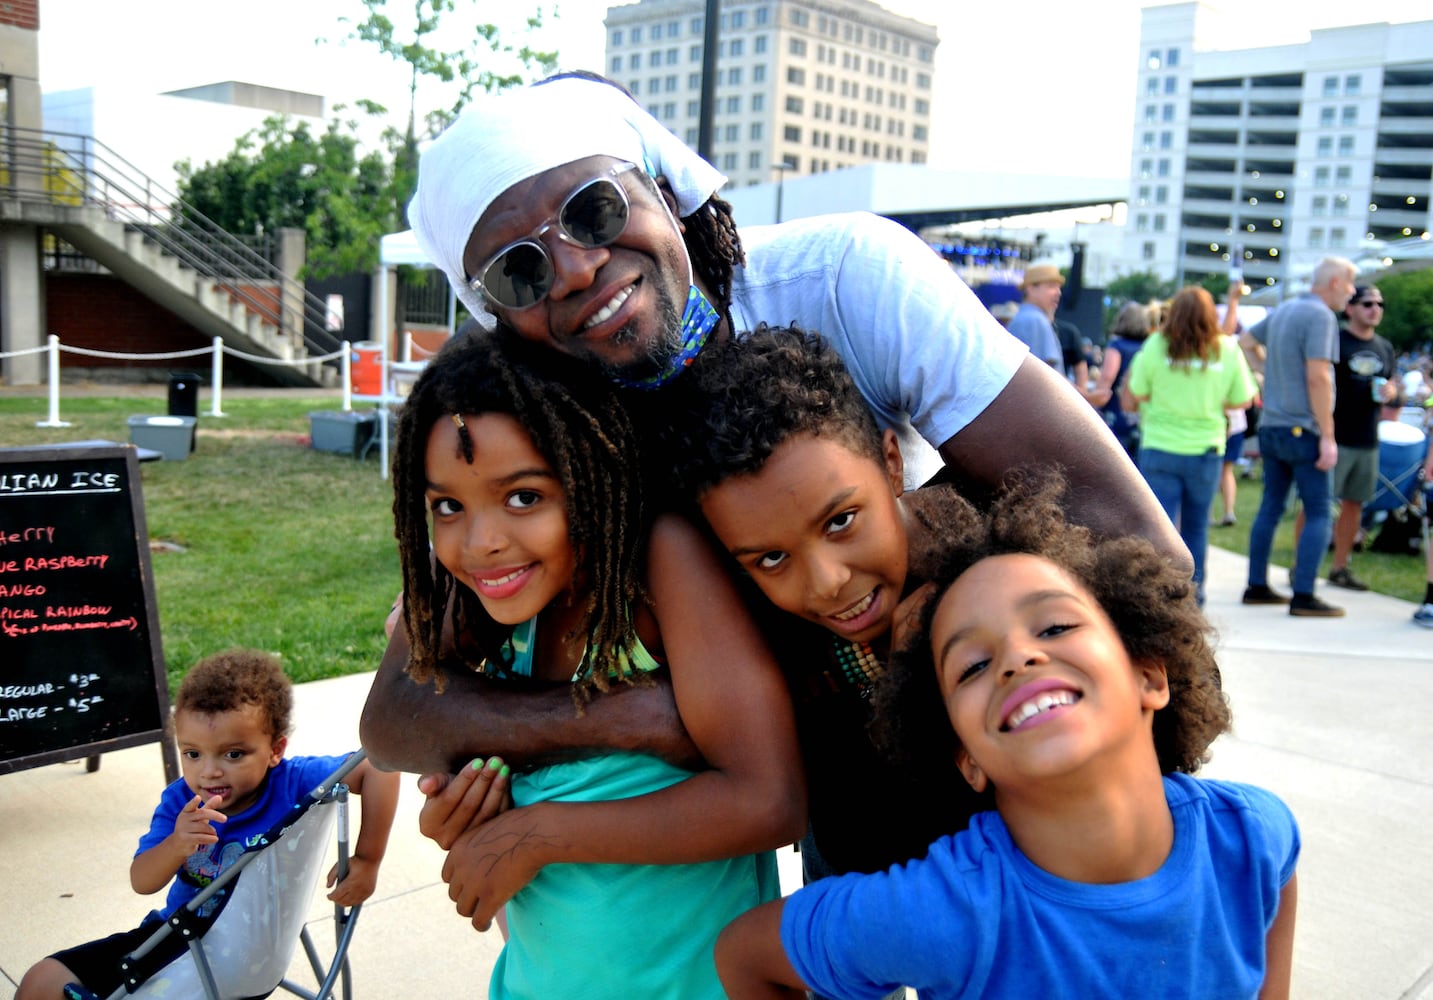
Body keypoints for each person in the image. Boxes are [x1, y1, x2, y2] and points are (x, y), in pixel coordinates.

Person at [361, 72, 1183, 797]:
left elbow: (1131, 535)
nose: (575, 267)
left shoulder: (846, 279)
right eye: (520, 269)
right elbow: (399, 714)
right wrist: (633, 717)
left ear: (660, 186)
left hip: (1004, 730)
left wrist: (901, 546)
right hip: (837, 791)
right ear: (495, 317)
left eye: (595, 209)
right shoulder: (544, 429)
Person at [713, 473, 1300, 999]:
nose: (1017, 656)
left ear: (1148, 673)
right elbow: (746, 955)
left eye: (1054, 625)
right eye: (971, 666)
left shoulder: (1252, 835)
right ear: (965, 756)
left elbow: (1278, 876)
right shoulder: (947, 911)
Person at [390, 328, 803, 997]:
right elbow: (402, 726)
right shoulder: (490, 618)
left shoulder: (659, 567)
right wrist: (465, 821)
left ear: (591, 474)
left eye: (524, 497)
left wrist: (539, 835)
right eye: (447, 506)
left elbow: (769, 799)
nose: (481, 542)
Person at [668, 325, 981, 883]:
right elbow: (849, 844)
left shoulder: (991, 589)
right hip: (862, 889)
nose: (826, 583)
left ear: (891, 464)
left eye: (840, 522)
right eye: (770, 559)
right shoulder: (768, 626)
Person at [17, 649, 400, 1000]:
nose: (210, 771)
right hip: (218, 953)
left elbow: (379, 765)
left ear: (275, 751)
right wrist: (176, 845)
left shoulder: (292, 779)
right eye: (192, 754)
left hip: (189, 952)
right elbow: (142, 880)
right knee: (42, 979)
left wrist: (367, 858)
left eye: (234, 754)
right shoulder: (181, 802)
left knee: (41, 986)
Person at [1241, 256, 1358, 617]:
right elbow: (1318, 376)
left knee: (1270, 507)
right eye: (1351, 285)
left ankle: (1257, 585)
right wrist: (1328, 434)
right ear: (1336, 282)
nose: (1352, 293)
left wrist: (1267, 372)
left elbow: (1245, 342)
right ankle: (1304, 594)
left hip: (1273, 425)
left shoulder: (1286, 309)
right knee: (1320, 510)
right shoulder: (1321, 316)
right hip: (1303, 428)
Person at [1126, 286, 1257, 605]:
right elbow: (1243, 399)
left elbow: (1137, 392)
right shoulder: (1226, 349)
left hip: (1159, 447)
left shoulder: (1157, 343)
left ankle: (1158, 597)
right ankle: (1193, 599)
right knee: (1197, 529)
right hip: (1206, 451)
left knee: (1158, 529)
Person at [1290, 284, 1400, 591]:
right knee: (1316, 504)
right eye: (1367, 303)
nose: (1375, 309)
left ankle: (1340, 567)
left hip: (1367, 437)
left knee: (1355, 504)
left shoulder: (1384, 346)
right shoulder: (1335, 339)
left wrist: (1391, 392)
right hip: (1334, 435)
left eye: (1380, 304)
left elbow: (1390, 384)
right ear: (1350, 308)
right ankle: (1300, 566)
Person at [1092, 301, 1153, 458]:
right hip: (1144, 416)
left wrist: (1094, 400)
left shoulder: (1117, 346)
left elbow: (1107, 377)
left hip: (1117, 414)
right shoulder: (1150, 346)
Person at [1006, 262, 1065, 369]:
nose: (1058, 292)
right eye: (1051, 286)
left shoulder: (1021, 318)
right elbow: (1047, 374)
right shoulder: (1035, 320)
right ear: (1031, 289)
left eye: (1059, 287)